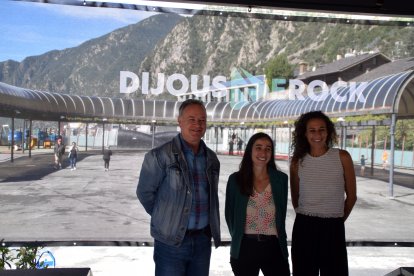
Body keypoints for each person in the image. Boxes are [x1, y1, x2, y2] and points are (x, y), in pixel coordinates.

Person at [137, 99, 221, 276]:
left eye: (202, 120)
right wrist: (168, 217)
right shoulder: (159, 156)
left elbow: (211, 198)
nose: (197, 125)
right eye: (192, 119)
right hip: (170, 244)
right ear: (179, 121)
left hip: (202, 243)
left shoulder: (212, 159)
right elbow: (145, 193)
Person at [290, 111, 357, 276]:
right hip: (304, 227)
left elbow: (352, 197)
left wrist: (336, 220)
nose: (317, 134)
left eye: (322, 129)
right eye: (312, 130)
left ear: (328, 132)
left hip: (333, 227)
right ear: (304, 134)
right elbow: (296, 198)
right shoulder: (297, 161)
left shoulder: (342, 157)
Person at [225, 132, 290, 276]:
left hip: (274, 247)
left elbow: (281, 215)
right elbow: (229, 216)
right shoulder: (236, 180)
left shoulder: (281, 180)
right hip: (245, 247)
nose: (263, 152)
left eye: (268, 148)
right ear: (250, 150)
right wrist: (238, 238)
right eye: (258, 147)